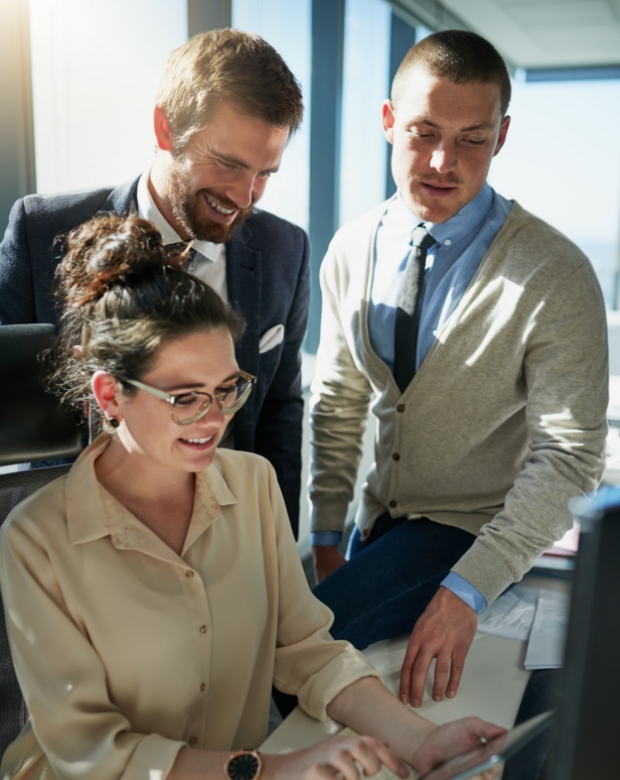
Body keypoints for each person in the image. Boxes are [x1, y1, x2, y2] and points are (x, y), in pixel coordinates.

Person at [0, 215, 504, 780]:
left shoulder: (253, 484)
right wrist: (273, 768)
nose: (214, 419)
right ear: (111, 394)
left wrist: (424, 742)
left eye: (226, 389)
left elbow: (307, 651)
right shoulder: (35, 539)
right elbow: (91, 751)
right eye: (185, 397)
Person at [309, 29, 608, 710]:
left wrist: (466, 590)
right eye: (424, 133)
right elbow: (339, 400)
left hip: (473, 532)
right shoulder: (350, 247)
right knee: (329, 682)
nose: (444, 162)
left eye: (472, 139)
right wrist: (326, 536)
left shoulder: (555, 272)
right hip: (373, 526)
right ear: (389, 121)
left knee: (300, 664)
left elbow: (569, 458)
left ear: (502, 137)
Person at [0, 29, 309, 536]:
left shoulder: (285, 250)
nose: (244, 196)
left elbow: (279, 411)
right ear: (166, 128)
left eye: (265, 174)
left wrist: (276, 542)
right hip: (73, 538)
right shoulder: (41, 232)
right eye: (228, 164)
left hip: (227, 535)